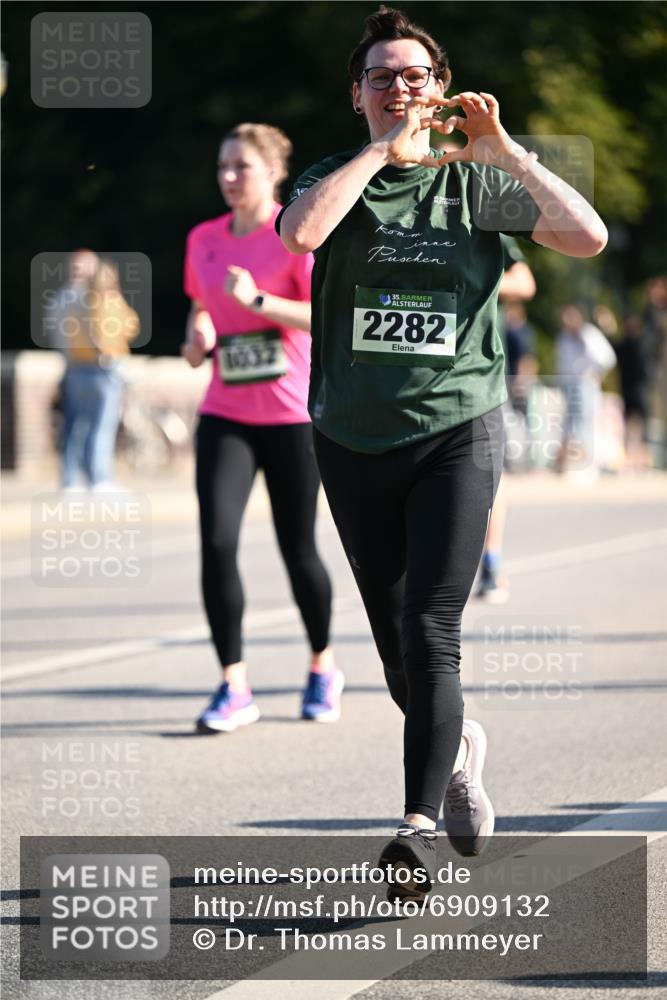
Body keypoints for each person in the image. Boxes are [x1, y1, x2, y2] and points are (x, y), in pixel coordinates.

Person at [279, 6, 607, 897]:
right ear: (357, 95)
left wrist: (508, 155)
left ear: (441, 86)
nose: (399, 87)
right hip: (350, 437)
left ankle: (415, 826)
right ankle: (457, 752)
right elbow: (301, 235)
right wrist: (378, 154)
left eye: (414, 74)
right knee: (393, 644)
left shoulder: (477, 187)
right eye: (380, 76)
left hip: (456, 428)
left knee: (431, 630)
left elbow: (587, 237)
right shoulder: (334, 178)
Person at [182, 122, 339, 735]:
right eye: (222, 166)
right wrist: (199, 333)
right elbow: (201, 303)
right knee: (217, 542)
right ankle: (233, 683)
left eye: (240, 167)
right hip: (225, 411)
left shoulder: (294, 235)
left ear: (272, 171)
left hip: (292, 415)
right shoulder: (202, 238)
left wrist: (258, 304)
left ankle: (322, 665)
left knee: (297, 548)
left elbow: (323, 316)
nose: (227, 177)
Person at [48, 250, 139, 490]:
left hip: (76, 368)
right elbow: (127, 327)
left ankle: (71, 480)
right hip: (101, 368)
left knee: (75, 426)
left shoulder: (62, 298)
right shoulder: (98, 300)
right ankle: (99, 478)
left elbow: (57, 336)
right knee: (100, 426)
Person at [555, 305, 616, 474]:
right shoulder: (564, 337)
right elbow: (562, 364)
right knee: (569, 423)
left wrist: (595, 375)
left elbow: (607, 358)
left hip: (585, 384)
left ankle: (587, 461)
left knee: (585, 421)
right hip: (569, 385)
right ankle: (568, 460)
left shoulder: (589, 334)